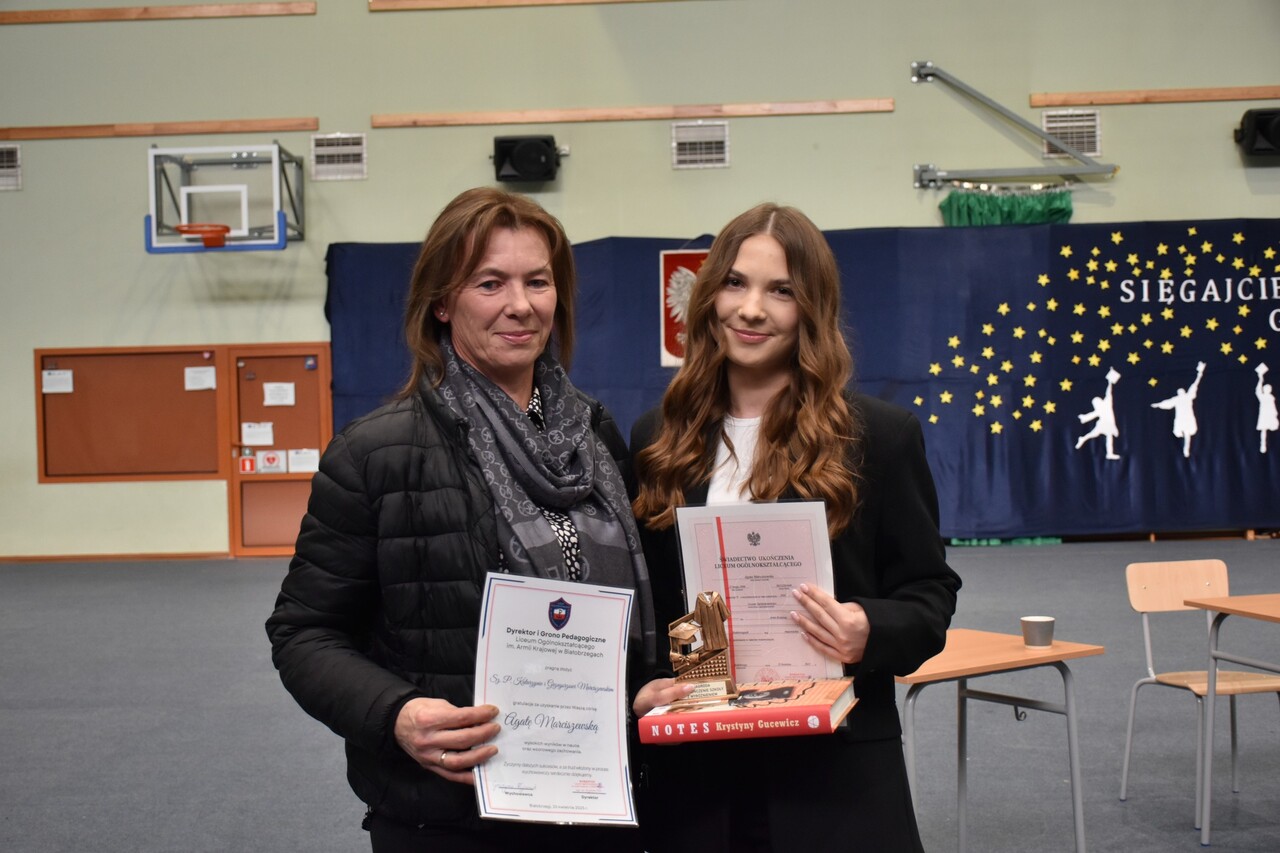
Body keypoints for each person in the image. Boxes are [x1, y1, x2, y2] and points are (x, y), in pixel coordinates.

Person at [266, 187, 654, 853]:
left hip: (599, 796)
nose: (520, 304)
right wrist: (397, 713)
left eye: (538, 282)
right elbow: (304, 632)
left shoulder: (597, 436)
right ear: (442, 303)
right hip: (451, 814)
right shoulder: (376, 452)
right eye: (490, 283)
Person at [628, 203, 961, 853]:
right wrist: (645, 683)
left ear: (812, 308)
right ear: (708, 294)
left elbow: (929, 596)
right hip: (698, 783)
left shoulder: (877, 438)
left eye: (780, 291)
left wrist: (866, 628)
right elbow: (648, 607)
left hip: (833, 782)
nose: (751, 309)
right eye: (735, 283)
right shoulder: (658, 440)